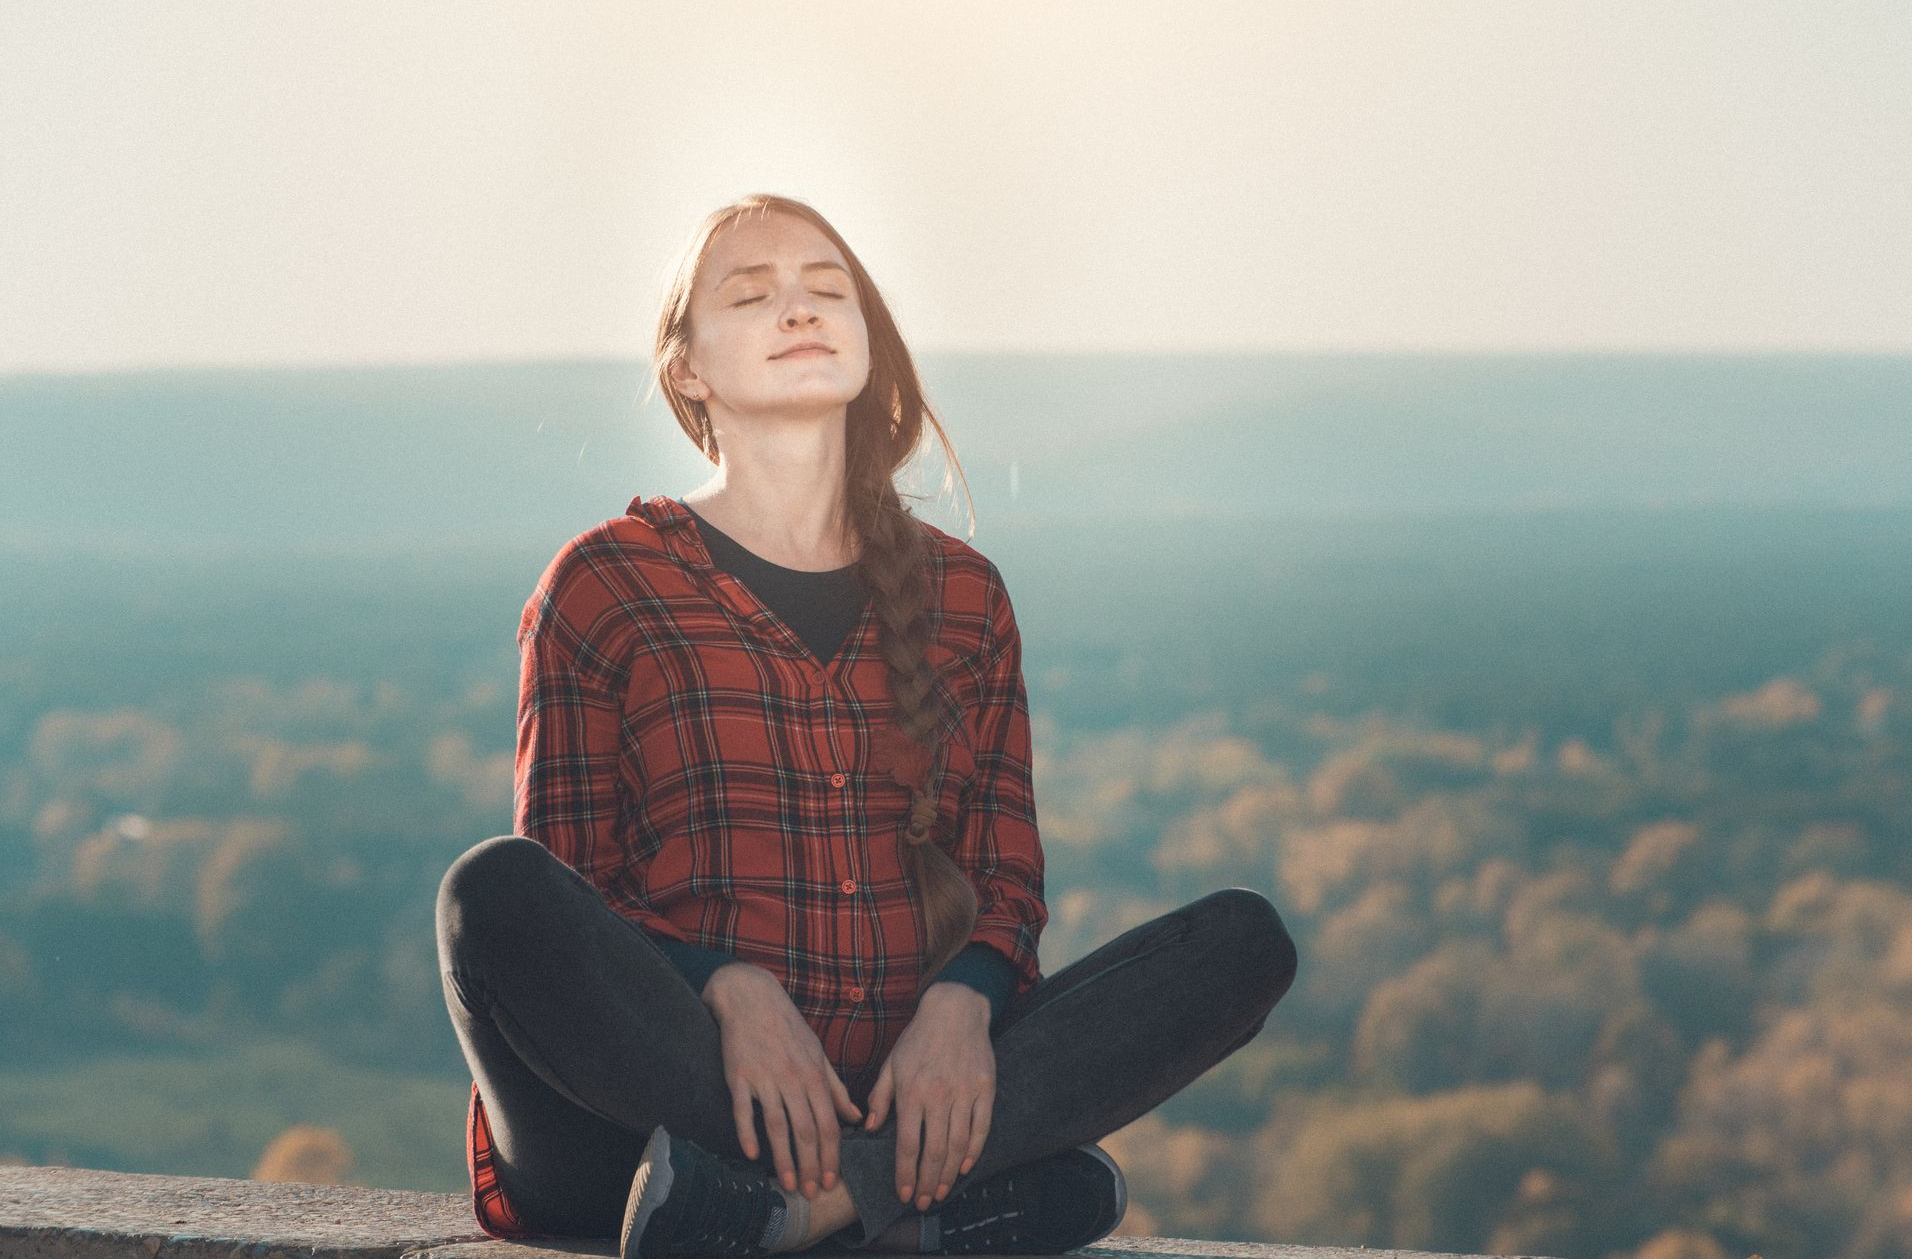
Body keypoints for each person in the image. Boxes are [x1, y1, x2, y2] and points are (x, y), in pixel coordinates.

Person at [434, 194, 1299, 1258]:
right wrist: (724, 989)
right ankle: (944, 1203)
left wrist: (963, 1007)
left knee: (1241, 943)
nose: (798, 309)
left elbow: (1007, 879)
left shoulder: (965, 597)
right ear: (688, 371)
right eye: (753, 295)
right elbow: (572, 888)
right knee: (491, 892)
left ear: (869, 343)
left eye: (827, 290)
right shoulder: (605, 583)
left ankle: (820, 1204)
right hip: (641, 1127)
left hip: (890, 1094)